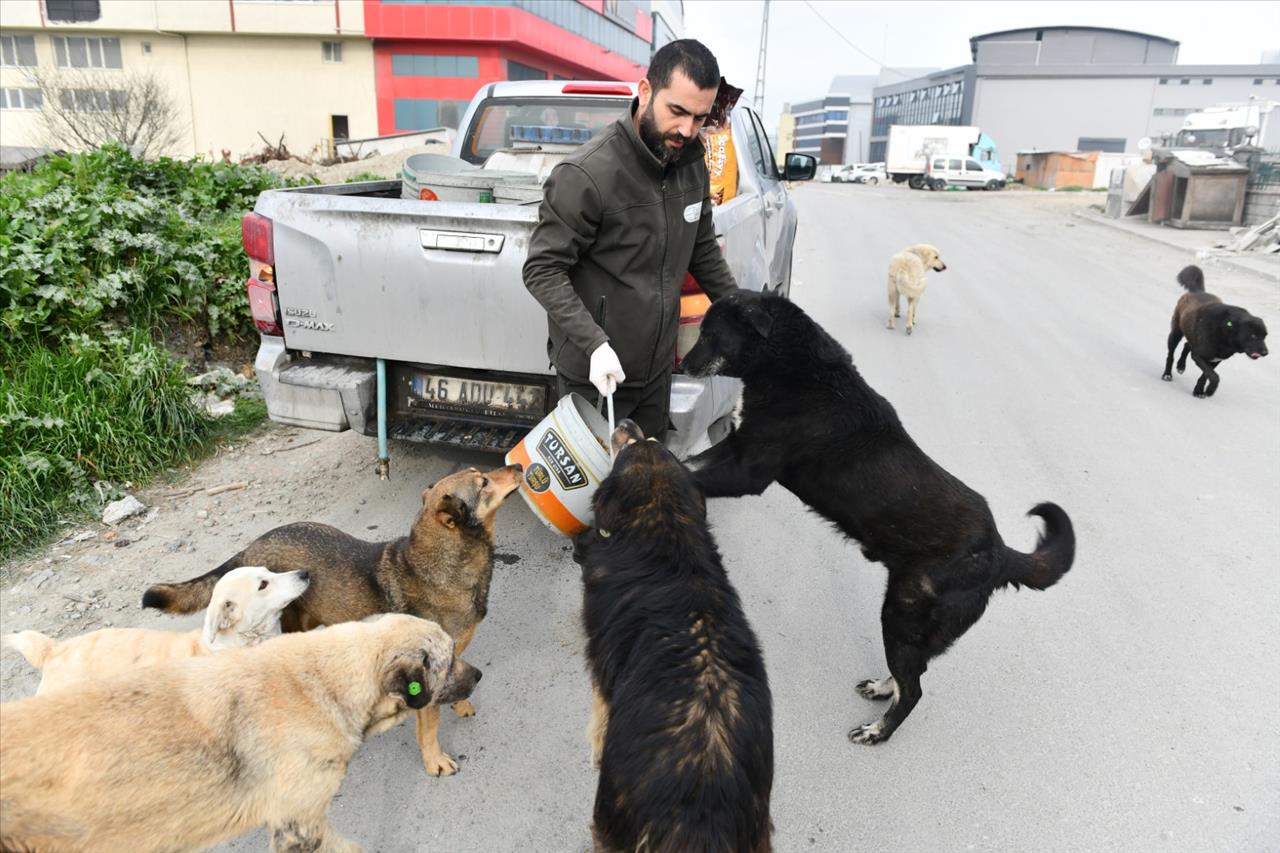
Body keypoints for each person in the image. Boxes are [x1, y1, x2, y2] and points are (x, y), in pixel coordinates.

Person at [523, 39, 738, 443]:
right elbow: (542, 270)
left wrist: (742, 310)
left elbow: (701, 248)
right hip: (598, 375)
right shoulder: (587, 175)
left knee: (646, 492)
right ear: (645, 91)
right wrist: (595, 345)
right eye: (677, 111)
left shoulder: (691, 163)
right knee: (595, 499)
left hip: (655, 373)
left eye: (699, 117)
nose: (687, 129)